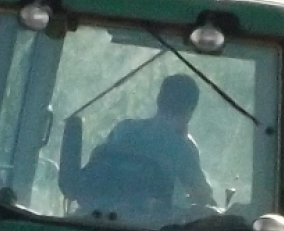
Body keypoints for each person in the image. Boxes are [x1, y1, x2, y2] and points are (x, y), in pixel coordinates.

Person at [74, 74, 215, 219]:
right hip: (149, 230)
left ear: (159, 100)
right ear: (190, 110)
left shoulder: (124, 129)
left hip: (98, 218)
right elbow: (202, 196)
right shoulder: (184, 147)